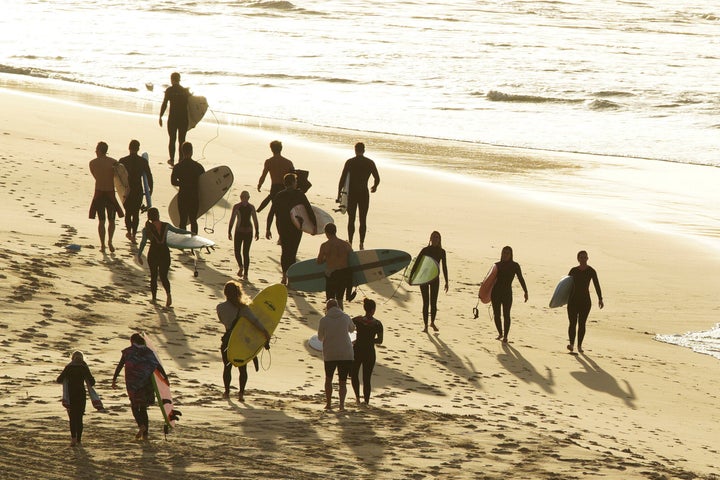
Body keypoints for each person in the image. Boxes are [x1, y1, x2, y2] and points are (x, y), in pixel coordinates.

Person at [216, 281, 271, 401]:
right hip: (240, 341)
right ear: (238, 292)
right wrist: (265, 332)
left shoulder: (220, 308)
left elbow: (223, 321)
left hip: (227, 340)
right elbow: (255, 321)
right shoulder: (243, 308)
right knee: (243, 368)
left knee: (227, 366)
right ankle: (241, 394)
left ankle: (226, 392)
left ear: (225, 293)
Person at [111, 333, 167, 440]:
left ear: (132, 341)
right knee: (143, 408)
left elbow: (120, 365)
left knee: (135, 406)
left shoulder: (128, 352)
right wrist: (165, 377)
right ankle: (145, 436)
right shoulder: (148, 352)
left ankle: (141, 425)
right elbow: (157, 365)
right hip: (146, 384)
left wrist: (114, 379)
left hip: (133, 384)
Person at [137, 207, 192, 308]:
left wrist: (139, 255)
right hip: (164, 253)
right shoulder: (166, 225)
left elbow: (143, 242)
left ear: (149, 217)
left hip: (153, 253)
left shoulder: (146, 229)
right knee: (163, 276)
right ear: (158, 215)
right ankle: (168, 295)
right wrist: (190, 233)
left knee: (153, 276)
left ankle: (154, 298)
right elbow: (178, 231)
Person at [271, 172, 316, 285]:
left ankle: (284, 276)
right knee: (292, 253)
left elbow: (272, 212)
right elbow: (309, 210)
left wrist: (268, 228)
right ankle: (290, 278)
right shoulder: (299, 195)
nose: (297, 183)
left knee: (285, 251)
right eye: (296, 181)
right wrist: (314, 225)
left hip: (282, 227)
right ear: (293, 182)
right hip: (296, 227)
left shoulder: (279, 195)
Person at [337, 142, 380, 250]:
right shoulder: (370, 162)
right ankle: (361, 243)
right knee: (363, 219)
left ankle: (350, 241)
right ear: (364, 150)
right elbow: (377, 178)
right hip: (363, 193)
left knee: (351, 219)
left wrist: (339, 194)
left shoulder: (350, 162)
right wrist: (374, 186)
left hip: (352, 194)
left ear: (355, 150)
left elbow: (342, 179)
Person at [317, 298, 355, 411]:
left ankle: (328, 404)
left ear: (327, 308)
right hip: (346, 353)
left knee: (328, 379)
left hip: (330, 353)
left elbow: (319, 337)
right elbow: (352, 329)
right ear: (338, 307)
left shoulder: (323, 320)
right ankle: (341, 405)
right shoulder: (345, 317)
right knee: (342, 381)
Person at [487, 246, 528, 343]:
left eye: (507, 253)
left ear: (511, 255)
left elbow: (521, 278)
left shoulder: (515, 266)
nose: (505, 255)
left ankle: (505, 336)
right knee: (497, 314)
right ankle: (500, 333)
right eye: (503, 253)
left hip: (507, 293)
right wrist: (483, 292)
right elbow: (489, 280)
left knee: (506, 315)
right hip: (496, 293)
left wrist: (525, 291)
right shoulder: (496, 265)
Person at [88, 141, 124, 253]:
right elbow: (118, 178)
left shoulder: (92, 163)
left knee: (101, 221)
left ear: (98, 150)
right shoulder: (114, 162)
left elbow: (95, 176)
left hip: (99, 193)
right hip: (110, 194)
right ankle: (110, 242)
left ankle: (103, 245)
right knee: (112, 220)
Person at [256, 140, 295, 240]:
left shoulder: (269, 162)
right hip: (286, 188)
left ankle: (275, 233)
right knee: (285, 212)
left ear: (271, 149)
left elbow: (263, 175)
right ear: (281, 149)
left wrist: (259, 185)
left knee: (275, 211)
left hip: (274, 188)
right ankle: (284, 234)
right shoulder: (288, 162)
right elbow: (294, 177)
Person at [566, 250, 604, 353]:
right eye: (581, 257)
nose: (583, 259)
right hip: (572, 300)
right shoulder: (573, 270)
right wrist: (562, 299)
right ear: (578, 259)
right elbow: (566, 286)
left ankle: (579, 346)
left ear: (587, 258)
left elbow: (597, 284)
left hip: (585, 301)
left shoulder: (591, 271)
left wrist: (600, 298)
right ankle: (571, 344)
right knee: (572, 323)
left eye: (585, 257)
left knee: (582, 323)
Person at [411, 231, 449, 332]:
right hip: (424, 278)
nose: (436, 239)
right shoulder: (425, 250)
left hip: (435, 279)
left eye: (438, 238)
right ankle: (426, 326)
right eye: (434, 237)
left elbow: (444, 267)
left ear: (440, 240)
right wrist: (411, 277)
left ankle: (432, 322)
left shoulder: (442, 252)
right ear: (430, 239)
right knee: (426, 302)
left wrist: (447, 281)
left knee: (433, 302)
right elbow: (417, 263)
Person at [56, 351, 96, 446]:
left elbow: (59, 380)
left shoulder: (69, 367)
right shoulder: (83, 367)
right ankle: (79, 440)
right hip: (81, 394)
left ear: (72, 358)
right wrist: (86, 369)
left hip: (71, 394)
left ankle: (73, 438)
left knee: (72, 417)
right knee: (79, 417)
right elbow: (92, 382)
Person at [119, 139, 153, 244]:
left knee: (128, 213)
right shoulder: (143, 161)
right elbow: (148, 176)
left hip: (127, 190)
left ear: (129, 148)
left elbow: (117, 176)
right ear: (138, 149)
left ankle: (129, 232)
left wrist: (119, 190)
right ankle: (134, 235)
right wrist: (150, 190)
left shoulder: (123, 160)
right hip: (138, 190)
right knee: (136, 214)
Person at [350, 298, 383, 406]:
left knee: (354, 374)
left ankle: (357, 398)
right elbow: (380, 340)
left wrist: (355, 338)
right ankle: (366, 401)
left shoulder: (358, 320)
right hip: (369, 351)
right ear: (373, 310)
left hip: (358, 349)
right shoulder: (377, 323)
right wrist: (370, 340)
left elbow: (348, 327)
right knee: (366, 378)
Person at [316, 223, 355, 309]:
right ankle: (341, 316)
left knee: (330, 299)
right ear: (335, 231)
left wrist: (327, 259)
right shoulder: (346, 244)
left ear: (326, 233)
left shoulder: (325, 246)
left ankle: (330, 316)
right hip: (343, 274)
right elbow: (353, 258)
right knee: (340, 299)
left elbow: (319, 261)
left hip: (331, 275)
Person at [170, 142, 205, 234]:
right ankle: (194, 241)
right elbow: (204, 181)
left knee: (183, 220)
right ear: (192, 152)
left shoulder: (178, 167)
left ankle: (183, 242)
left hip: (183, 196)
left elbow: (173, 182)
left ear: (182, 152)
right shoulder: (198, 166)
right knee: (193, 220)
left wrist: (183, 183)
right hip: (194, 196)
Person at [159, 72, 190, 166]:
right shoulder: (185, 91)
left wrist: (160, 116)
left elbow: (164, 104)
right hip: (183, 119)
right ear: (179, 79)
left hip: (173, 119)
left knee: (172, 139)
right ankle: (181, 160)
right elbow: (192, 105)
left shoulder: (169, 90)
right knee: (182, 140)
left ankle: (172, 160)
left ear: (172, 80)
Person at [228, 191, 260, 280]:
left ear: (240, 197)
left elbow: (232, 219)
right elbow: (255, 220)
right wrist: (257, 231)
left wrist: (229, 231)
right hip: (249, 231)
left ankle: (241, 267)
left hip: (239, 231)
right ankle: (245, 274)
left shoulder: (237, 206)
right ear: (248, 197)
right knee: (246, 253)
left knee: (237, 251)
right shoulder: (251, 207)